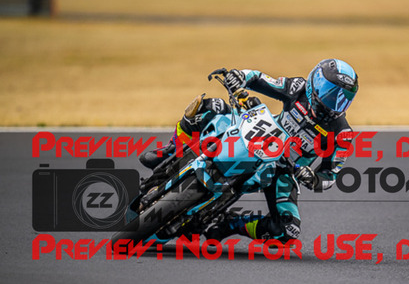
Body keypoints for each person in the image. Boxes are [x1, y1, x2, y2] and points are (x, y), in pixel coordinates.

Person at [139, 59, 359, 244]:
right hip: (256, 133)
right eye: (331, 93)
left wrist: (312, 178)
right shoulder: (297, 88)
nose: (334, 103)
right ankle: (171, 149)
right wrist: (239, 77)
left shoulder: (342, 134)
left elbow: (330, 175)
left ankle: (231, 223)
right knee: (211, 107)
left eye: (343, 99)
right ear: (315, 84)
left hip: (284, 170)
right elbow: (259, 79)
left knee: (288, 230)